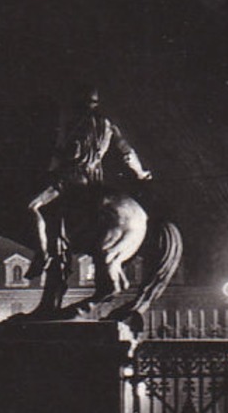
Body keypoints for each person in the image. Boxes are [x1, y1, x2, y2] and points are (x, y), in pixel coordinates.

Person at [28, 88, 151, 277]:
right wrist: (141, 173)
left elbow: (72, 153)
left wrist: (55, 158)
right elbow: (128, 155)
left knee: (33, 206)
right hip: (95, 180)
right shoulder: (109, 126)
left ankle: (42, 254)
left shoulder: (74, 124)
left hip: (72, 177)